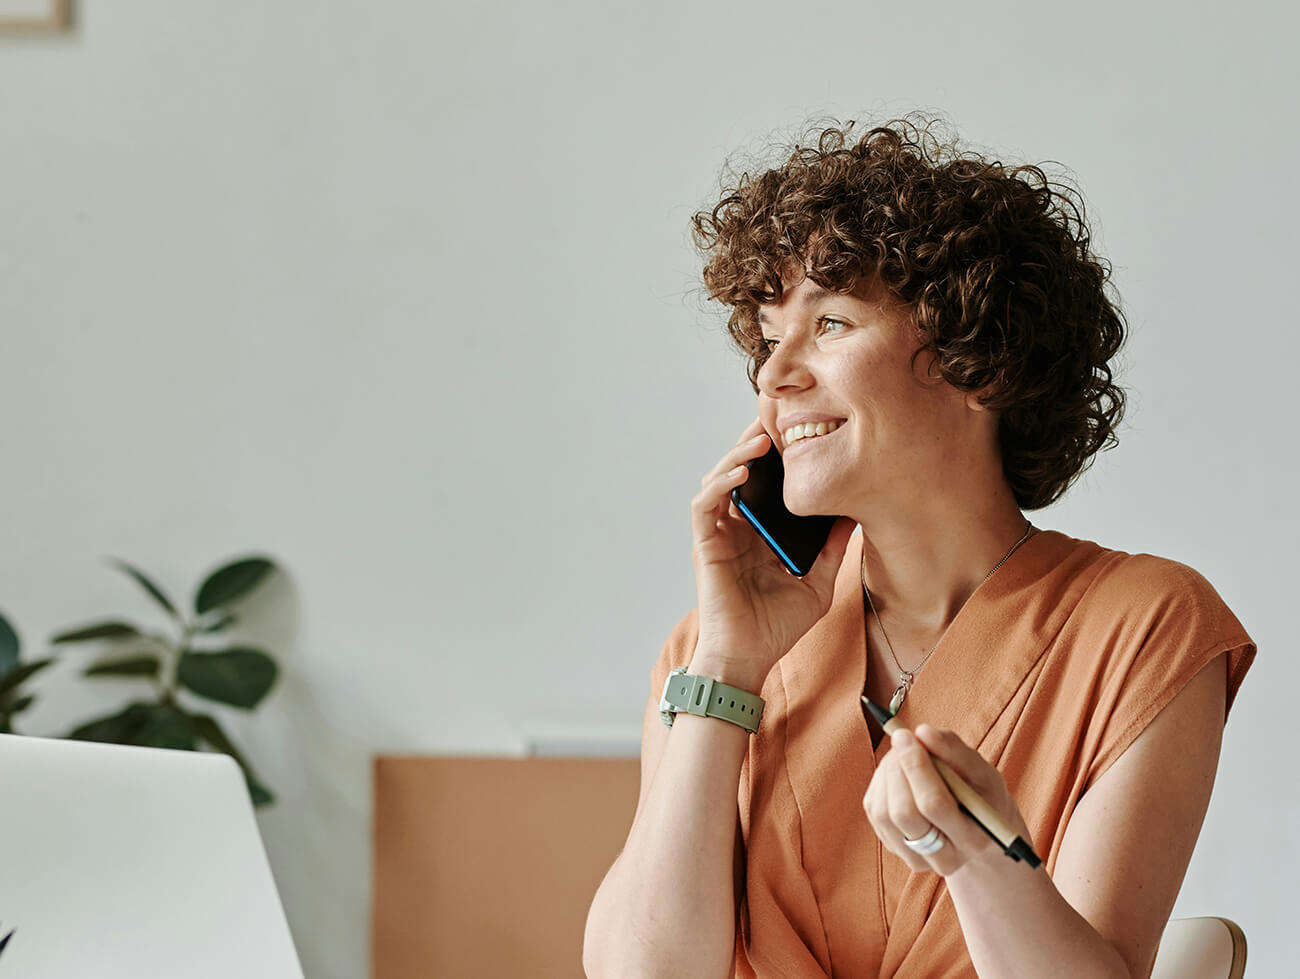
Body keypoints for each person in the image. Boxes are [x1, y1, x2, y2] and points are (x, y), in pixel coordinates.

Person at [582, 113, 1256, 979]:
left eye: (828, 323)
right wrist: (726, 665)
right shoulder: (708, 654)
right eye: (766, 334)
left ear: (980, 361)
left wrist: (975, 854)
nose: (773, 373)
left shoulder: (1146, 628)